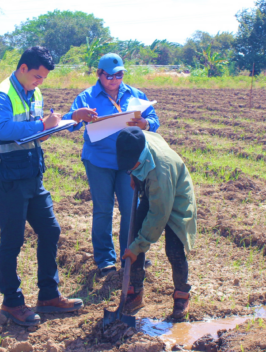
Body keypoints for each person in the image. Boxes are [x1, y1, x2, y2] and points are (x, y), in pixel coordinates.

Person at [0, 46, 83, 326]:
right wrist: (42, 124)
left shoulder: (35, 93)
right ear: (23, 68)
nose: (40, 82)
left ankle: (49, 295)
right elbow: (4, 130)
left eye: (44, 78)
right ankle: (12, 302)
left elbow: (40, 131)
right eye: (37, 76)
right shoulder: (2, 95)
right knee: (13, 240)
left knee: (51, 230)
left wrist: (71, 120)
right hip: (8, 179)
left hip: (31, 175)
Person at [64, 53, 160, 276]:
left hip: (129, 162)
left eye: (119, 75)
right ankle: (105, 260)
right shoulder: (87, 96)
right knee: (103, 210)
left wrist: (146, 123)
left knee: (131, 210)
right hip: (99, 160)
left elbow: (154, 121)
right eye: (109, 76)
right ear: (99, 74)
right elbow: (70, 124)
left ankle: (132, 255)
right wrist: (78, 115)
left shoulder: (135, 95)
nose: (115, 79)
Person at [116, 127, 197, 319]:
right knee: (135, 233)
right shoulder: (136, 140)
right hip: (155, 187)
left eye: (132, 166)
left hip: (177, 197)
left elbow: (158, 216)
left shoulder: (160, 172)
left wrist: (138, 246)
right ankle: (135, 291)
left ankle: (181, 295)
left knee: (174, 249)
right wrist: (134, 174)